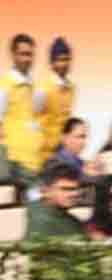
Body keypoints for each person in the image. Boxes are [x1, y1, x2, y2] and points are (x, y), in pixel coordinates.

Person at [1, 34, 46, 184]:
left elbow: (36, 121)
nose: (28, 59)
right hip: (17, 164)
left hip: (35, 161)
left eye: (31, 55)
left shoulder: (35, 87)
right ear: (13, 55)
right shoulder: (4, 85)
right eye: (23, 54)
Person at [38, 37, 75, 167]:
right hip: (44, 154)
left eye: (67, 59)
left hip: (63, 151)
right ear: (52, 63)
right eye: (60, 60)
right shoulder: (42, 88)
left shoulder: (71, 88)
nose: (64, 64)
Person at [23, 161, 83, 239]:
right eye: (65, 189)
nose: (75, 193)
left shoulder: (70, 219)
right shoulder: (42, 223)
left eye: (76, 189)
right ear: (45, 192)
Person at [49, 117, 98, 182]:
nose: (83, 142)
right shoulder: (57, 163)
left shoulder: (80, 162)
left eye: (85, 137)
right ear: (64, 138)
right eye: (79, 136)